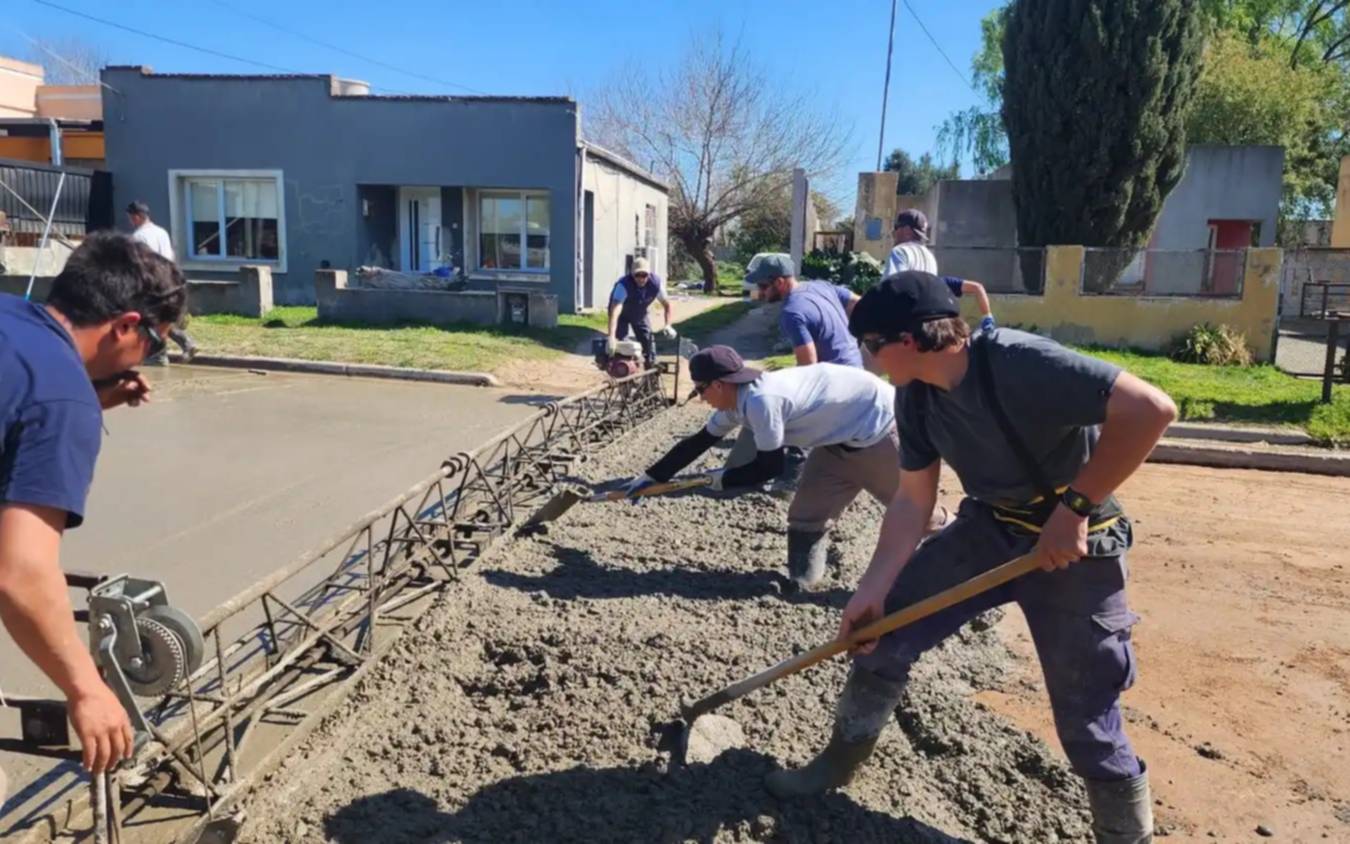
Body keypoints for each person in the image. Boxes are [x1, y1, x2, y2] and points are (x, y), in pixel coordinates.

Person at [764, 271, 1176, 844]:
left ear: (907, 341)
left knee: (1087, 714)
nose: (868, 358)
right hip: (990, 530)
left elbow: (1152, 410)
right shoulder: (916, 395)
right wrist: (873, 589)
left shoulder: (1018, 362)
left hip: (1076, 546)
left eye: (871, 346)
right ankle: (838, 763)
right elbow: (913, 500)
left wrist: (1074, 510)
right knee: (881, 634)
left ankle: (1125, 835)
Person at [0, 232, 187, 784]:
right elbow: (21, 573)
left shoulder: (11, 317)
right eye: (156, 344)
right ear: (126, 325)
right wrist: (86, 688)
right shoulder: (61, 401)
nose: (152, 357)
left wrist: (78, 391)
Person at [623, 345, 945, 594]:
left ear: (719, 385)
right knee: (806, 515)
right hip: (837, 441)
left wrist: (722, 479)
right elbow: (698, 442)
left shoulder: (763, 402)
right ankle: (803, 584)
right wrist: (651, 476)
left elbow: (769, 467)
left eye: (700, 390)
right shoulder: (735, 403)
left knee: (919, 515)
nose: (700, 398)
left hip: (880, 427)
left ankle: (964, 555)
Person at [746, 253, 862, 368]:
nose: (760, 292)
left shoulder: (792, 312)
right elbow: (859, 304)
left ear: (779, 282)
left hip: (836, 380)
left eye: (763, 286)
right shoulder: (822, 286)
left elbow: (808, 366)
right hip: (857, 368)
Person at [126, 201, 199, 363]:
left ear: (137, 217)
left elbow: (142, 262)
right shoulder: (161, 232)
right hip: (170, 279)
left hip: (152, 281)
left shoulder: (139, 236)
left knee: (149, 318)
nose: (130, 221)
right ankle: (185, 342)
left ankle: (158, 355)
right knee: (163, 316)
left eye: (131, 218)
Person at [606, 257, 675, 368]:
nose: (641, 279)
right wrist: (611, 337)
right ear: (632, 275)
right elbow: (615, 312)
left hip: (639, 313)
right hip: (621, 316)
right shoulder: (623, 285)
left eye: (644, 275)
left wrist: (668, 325)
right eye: (637, 275)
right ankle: (624, 373)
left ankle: (650, 372)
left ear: (649, 274)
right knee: (622, 346)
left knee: (648, 340)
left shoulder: (656, 284)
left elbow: (667, 304)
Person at [884, 209, 938, 277]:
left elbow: (891, 284)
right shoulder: (930, 257)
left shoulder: (900, 251)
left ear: (907, 231)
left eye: (896, 228)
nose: (893, 233)